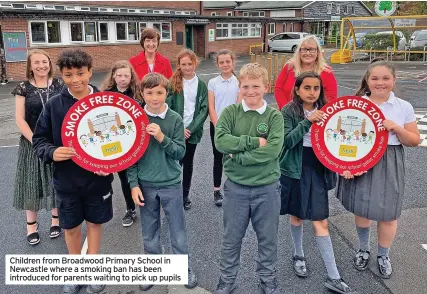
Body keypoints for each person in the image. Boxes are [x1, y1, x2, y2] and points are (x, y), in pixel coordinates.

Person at [32, 48, 113, 294]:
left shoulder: (106, 103)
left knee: (95, 223)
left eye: (80, 73)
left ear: (90, 71)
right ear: (62, 75)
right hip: (66, 180)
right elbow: (39, 141)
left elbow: (119, 140)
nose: (75, 79)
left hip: (97, 179)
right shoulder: (55, 104)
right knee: (70, 226)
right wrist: (52, 152)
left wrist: (108, 164)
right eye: (68, 75)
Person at [337, 59, 420, 279]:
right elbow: (341, 139)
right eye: (375, 78)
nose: (380, 83)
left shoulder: (403, 107)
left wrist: (397, 128)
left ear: (394, 80)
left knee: (388, 214)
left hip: (389, 161)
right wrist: (345, 165)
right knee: (362, 209)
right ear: (367, 80)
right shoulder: (355, 104)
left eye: (385, 78)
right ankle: (363, 249)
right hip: (360, 159)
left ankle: (384, 255)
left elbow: (414, 140)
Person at [280, 72, 357, 294]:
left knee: (320, 220)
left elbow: (342, 140)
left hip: (318, 167)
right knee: (296, 215)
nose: (312, 92)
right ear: (297, 90)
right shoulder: (289, 111)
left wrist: (347, 165)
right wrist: (307, 121)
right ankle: (298, 254)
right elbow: (286, 141)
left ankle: (333, 276)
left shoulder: (330, 110)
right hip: (295, 167)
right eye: (307, 88)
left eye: (316, 88)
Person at [214, 63, 284, 294]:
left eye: (256, 86)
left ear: (266, 87)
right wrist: (253, 142)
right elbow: (221, 141)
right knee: (231, 238)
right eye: (246, 86)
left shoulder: (274, 116)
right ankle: (227, 279)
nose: (251, 91)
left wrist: (238, 156)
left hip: (267, 188)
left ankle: (267, 279)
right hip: (236, 188)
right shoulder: (230, 113)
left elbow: (273, 150)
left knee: (268, 239)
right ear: (239, 87)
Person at [128, 72, 197, 291]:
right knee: (149, 230)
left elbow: (179, 153)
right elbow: (130, 154)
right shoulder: (136, 118)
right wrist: (133, 184)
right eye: (149, 93)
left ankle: (182, 267)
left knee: (177, 229)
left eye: (159, 92)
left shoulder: (175, 119)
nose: (155, 97)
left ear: (167, 93)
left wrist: (161, 137)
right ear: (142, 93)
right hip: (146, 184)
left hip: (170, 183)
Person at [12, 49, 64, 245]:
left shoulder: (59, 83)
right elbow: (19, 118)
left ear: (49, 64)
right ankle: (31, 225)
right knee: (31, 185)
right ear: (30, 66)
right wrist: (36, 141)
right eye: (37, 62)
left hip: (56, 143)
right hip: (32, 143)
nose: (42, 65)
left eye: (45, 61)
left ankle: (56, 220)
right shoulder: (23, 88)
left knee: (56, 181)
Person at [100, 60, 142, 227]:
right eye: (119, 75)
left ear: (131, 76)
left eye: (126, 75)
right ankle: (130, 209)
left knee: (141, 177)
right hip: (117, 144)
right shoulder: (106, 94)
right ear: (114, 76)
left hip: (136, 142)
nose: (123, 78)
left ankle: (149, 206)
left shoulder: (138, 93)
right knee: (124, 178)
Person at [167, 49, 208, 210]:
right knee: (175, 163)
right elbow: (168, 107)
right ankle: (173, 195)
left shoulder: (201, 85)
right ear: (179, 65)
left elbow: (203, 110)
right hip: (176, 132)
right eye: (183, 64)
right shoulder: (173, 83)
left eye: (190, 64)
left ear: (195, 64)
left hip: (192, 132)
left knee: (188, 163)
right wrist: (179, 129)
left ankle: (185, 195)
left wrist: (189, 129)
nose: (187, 67)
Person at [207, 49, 241, 206]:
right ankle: (216, 190)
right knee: (218, 158)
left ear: (233, 61)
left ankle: (234, 188)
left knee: (234, 157)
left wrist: (232, 126)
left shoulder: (239, 82)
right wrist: (217, 124)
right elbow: (211, 106)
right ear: (217, 64)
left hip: (234, 126)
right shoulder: (213, 82)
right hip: (217, 125)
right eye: (222, 62)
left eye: (228, 61)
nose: (225, 64)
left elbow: (239, 105)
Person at [274, 35, 337, 110]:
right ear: (299, 51)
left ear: (318, 52)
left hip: (316, 117)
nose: (307, 53)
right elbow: (278, 89)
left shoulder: (326, 72)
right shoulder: (289, 67)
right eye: (304, 49)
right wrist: (287, 110)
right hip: (288, 116)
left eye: (311, 49)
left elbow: (331, 98)